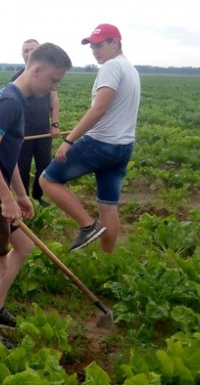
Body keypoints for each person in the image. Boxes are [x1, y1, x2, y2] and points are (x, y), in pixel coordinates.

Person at [0, 43, 72, 347]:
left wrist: (21, 195)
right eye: (53, 80)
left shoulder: (16, 98)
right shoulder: (9, 103)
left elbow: (4, 154)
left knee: (23, 247)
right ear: (36, 70)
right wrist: (6, 199)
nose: (54, 88)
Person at [39, 23, 140, 253]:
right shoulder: (130, 69)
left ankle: (87, 226)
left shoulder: (112, 67)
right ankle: (107, 259)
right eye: (92, 46)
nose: (95, 50)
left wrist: (69, 140)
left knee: (48, 180)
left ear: (115, 43)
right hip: (123, 148)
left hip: (101, 144)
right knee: (108, 207)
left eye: (100, 45)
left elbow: (99, 108)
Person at [10, 39, 61, 208]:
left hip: (43, 130)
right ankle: (23, 199)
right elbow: (12, 104)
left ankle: (38, 196)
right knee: (22, 167)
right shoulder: (17, 78)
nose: (29, 53)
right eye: (26, 50)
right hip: (22, 132)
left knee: (44, 165)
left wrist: (54, 124)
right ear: (22, 54)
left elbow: (54, 99)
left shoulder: (47, 77)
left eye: (33, 49)